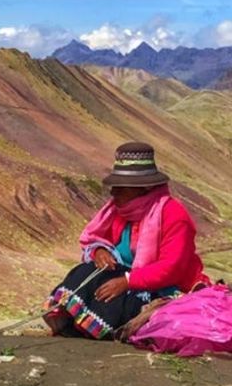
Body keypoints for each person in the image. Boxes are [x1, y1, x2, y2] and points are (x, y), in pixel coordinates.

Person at [44, 141, 209, 339]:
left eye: (121, 188)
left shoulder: (174, 215)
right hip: (128, 279)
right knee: (84, 272)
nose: (113, 193)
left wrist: (128, 282)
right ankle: (67, 320)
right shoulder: (119, 211)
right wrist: (99, 252)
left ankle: (91, 329)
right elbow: (96, 240)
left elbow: (171, 269)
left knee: (118, 302)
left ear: (142, 188)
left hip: (163, 288)